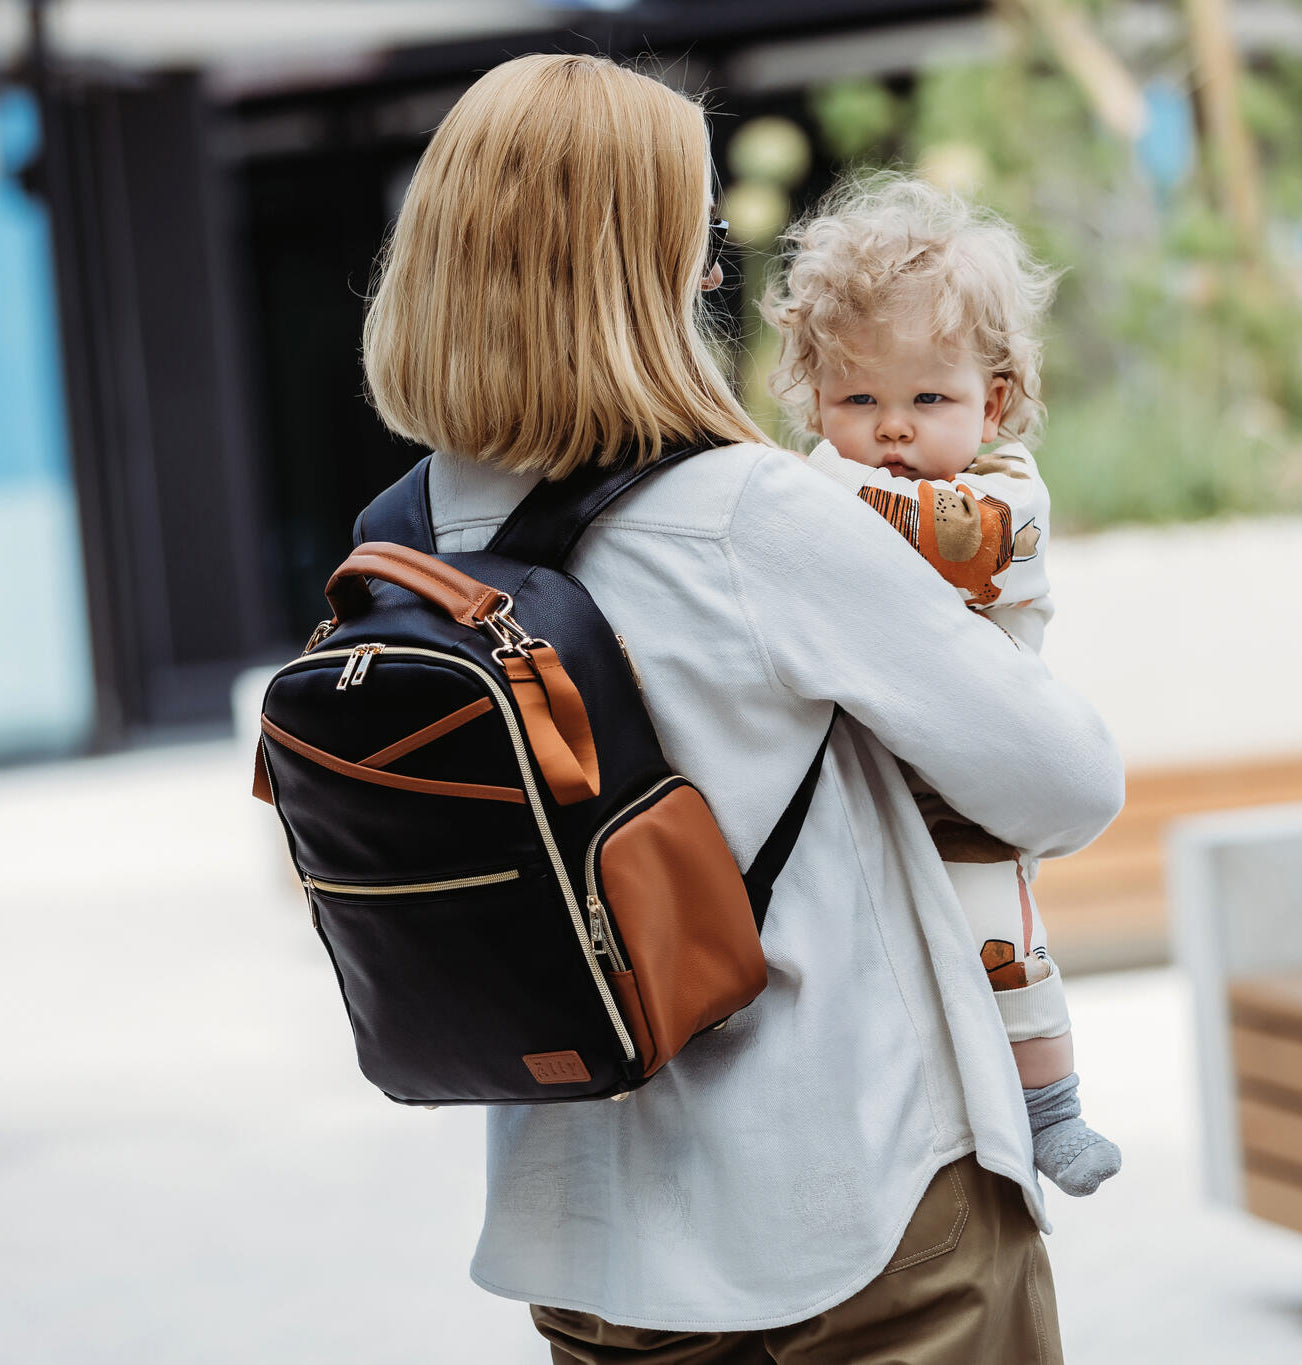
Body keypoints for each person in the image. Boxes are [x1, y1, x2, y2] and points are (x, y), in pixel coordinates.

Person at [362, 52, 1124, 1363]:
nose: (713, 276)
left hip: (589, 1230)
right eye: (697, 237)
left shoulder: (410, 534)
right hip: (862, 1208)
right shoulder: (758, 514)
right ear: (633, 267)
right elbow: (1063, 784)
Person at [763, 175, 1122, 1198]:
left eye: (929, 399)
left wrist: (819, 482)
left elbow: (934, 543)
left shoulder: (1007, 497)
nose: (891, 430)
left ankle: (1053, 1106)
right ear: (816, 399)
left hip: (972, 788)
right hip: (859, 777)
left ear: (991, 401)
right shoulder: (824, 483)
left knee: (998, 939)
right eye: (857, 401)